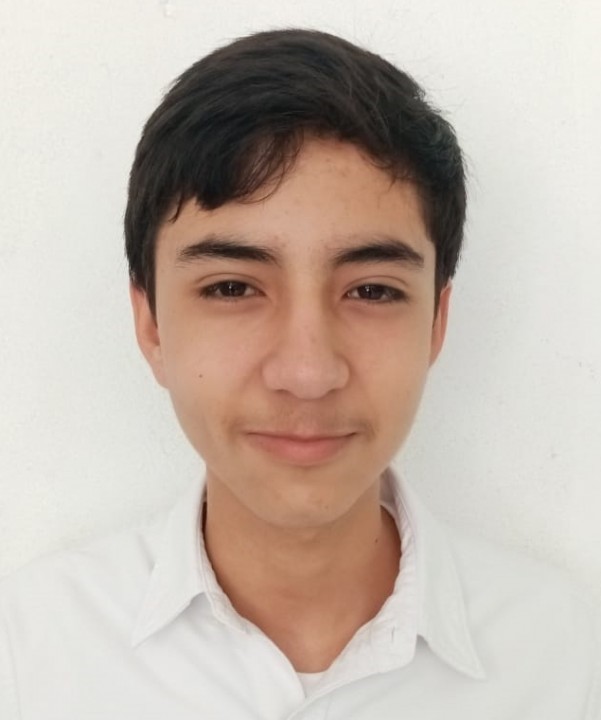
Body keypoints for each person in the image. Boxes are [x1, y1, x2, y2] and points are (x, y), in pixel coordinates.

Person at [1, 27, 599, 720]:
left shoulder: (569, 661)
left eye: (372, 290)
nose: (308, 373)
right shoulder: (28, 656)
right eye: (232, 288)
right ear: (151, 324)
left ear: (436, 323)